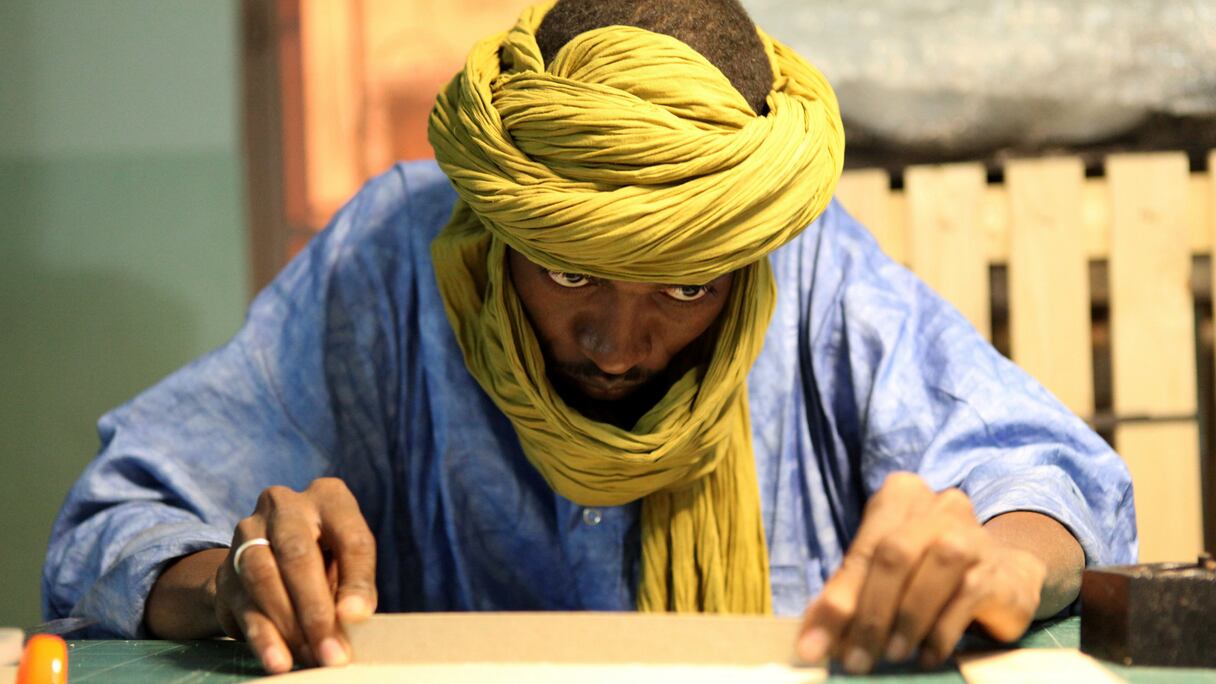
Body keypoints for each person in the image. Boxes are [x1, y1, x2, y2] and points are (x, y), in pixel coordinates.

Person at [43, 0, 1136, 676]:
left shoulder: (802, 268)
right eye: (567, 270)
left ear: (743, 253)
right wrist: (231, 578)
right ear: (502, 220)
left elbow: (1042, 473)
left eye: (685, 285)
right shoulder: (391, 258)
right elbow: (119, 519)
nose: (619, 343)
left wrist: (993, 558)